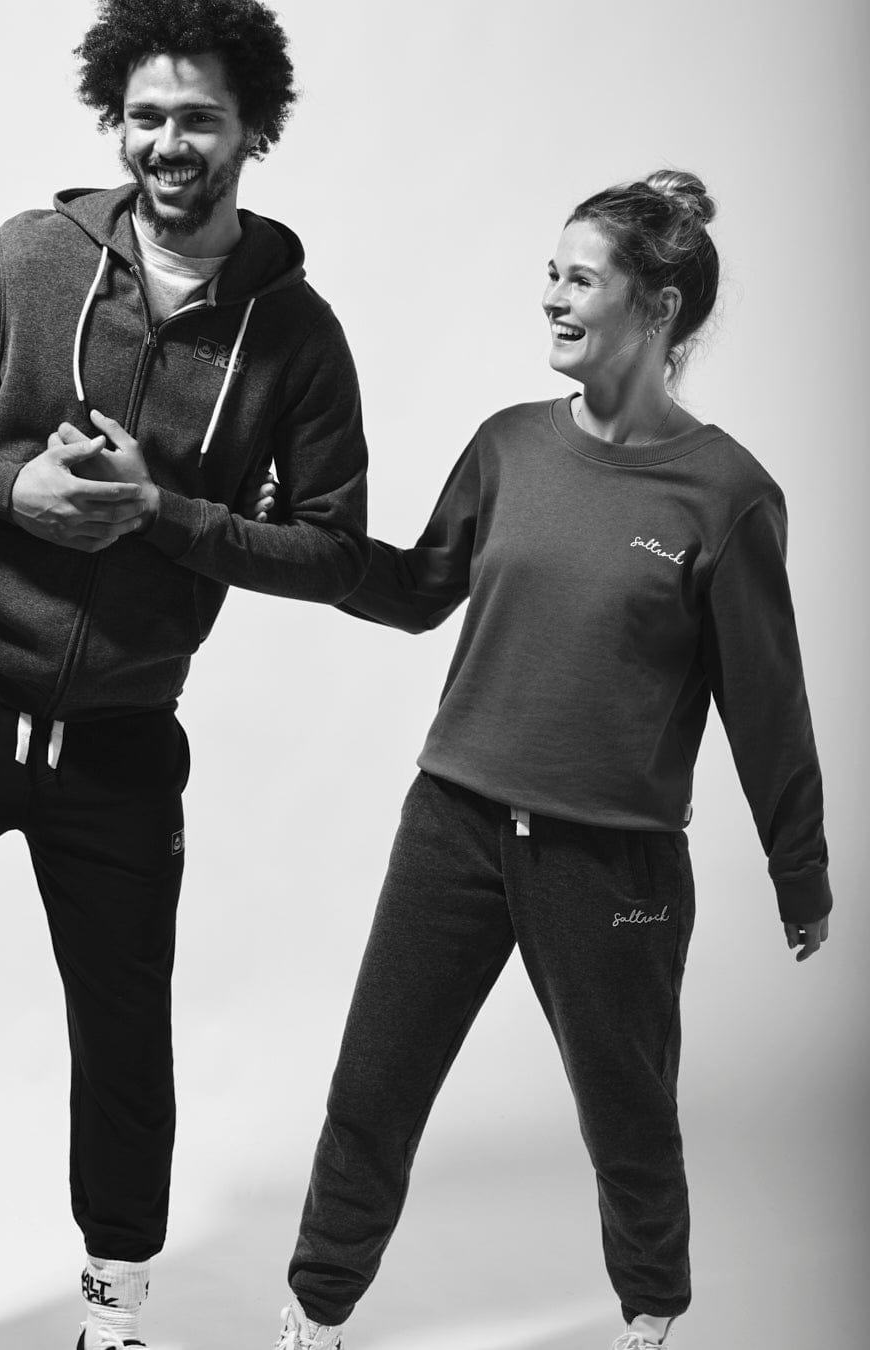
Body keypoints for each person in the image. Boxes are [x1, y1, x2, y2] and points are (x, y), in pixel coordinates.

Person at [0, 2, 368, 1347]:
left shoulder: (298, 337)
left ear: (253, 131)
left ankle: (115, 1313)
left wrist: (158, 511)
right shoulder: (33, 257)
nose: (169, 142)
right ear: (117, 117)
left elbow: (330, 547)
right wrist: (11, 488)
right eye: (148, 115)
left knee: (124, 1041)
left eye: (200, 118)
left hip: (116, 735)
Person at [267, 170, 831, 1350]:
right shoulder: (509, 445)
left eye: (580, 278)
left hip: (610, 863)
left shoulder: (726, 496)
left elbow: (766, 703)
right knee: (372, 1093)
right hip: (453, 826)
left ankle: (650, 1319)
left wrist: (801, 873)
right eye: (551, 275)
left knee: (627, 1119)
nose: (552, 300)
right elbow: (422, 588)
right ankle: (315, 1320)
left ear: (659, 308)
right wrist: (299, 544)